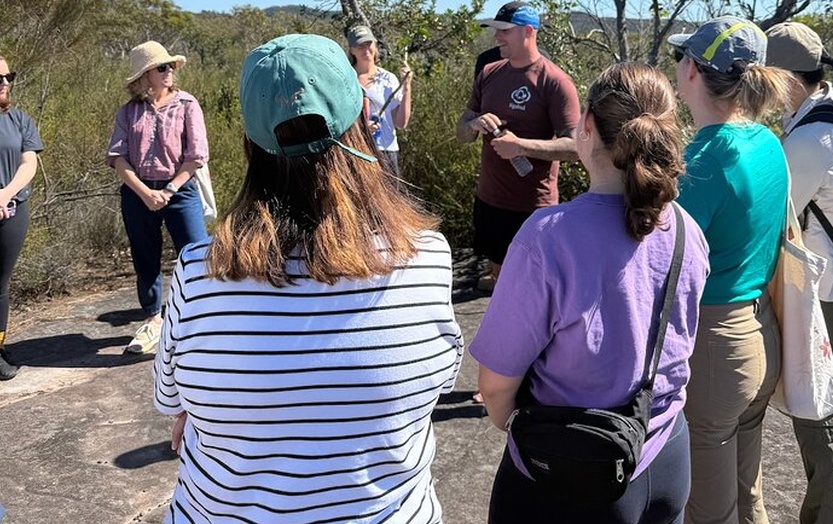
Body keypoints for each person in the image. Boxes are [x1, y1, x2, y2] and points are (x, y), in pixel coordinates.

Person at [153, 34, 464, 523]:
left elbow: (172, 397)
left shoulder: (196, 272)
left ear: (251, 141)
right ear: (361, 118)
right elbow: (436, 383)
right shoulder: (426, 258)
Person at [470, 62, 709, 523]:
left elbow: (495, 385)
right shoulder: (685, 230)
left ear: (588, 126)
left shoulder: (547, 235)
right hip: (665, 455)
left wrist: (516, 427)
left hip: (569, 470)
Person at [667, 16, 793, 524]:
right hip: (762, 334)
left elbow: (658, 260)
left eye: (682, 58)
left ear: (694, 72)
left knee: (708, 512)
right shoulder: (767, 142)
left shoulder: (702, 160)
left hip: (716, 349)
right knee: (748, 499)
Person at [765, 22, 833, 524]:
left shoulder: (811, 138)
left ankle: (831, 515)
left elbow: (774, 218)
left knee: (818, 412)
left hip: (822, 295)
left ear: (783, 78)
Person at [455, 1, 580, 294]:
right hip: (490, 201)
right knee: (501, 283)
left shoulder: (555, 81)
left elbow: (575, 147)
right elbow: (461, 133)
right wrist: (473, 124)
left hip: (533, 208)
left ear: (528, 31)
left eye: (504, 31)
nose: (496, 38)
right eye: (496, 31)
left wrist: (520, 147)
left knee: (535, 289)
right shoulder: (489, 72)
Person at [106, 41, 209, 355]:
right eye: (162, 67)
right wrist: (145, 192)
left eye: (170, 66)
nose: (169, 72)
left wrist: (168, 190)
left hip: (180, 191)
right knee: (145, 256)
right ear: (144, 76)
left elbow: (196, 156)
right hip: (138, 193)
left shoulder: (187, 104)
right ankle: (154, 319)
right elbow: (118, 158)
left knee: (195, 255)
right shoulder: (128, 112)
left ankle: (202, 319)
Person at [0, 56, 44, 380]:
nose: (4, 81)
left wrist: (4, 194)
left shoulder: (19, 119)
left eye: (7, 76)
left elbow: (29, 163)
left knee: (0, 284)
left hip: (13, 209)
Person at [347, 25, 413, 177]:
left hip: (387, 151)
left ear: (375, 45)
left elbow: (401, 123)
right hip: (357, 151)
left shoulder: (388, 78)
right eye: (359, 46)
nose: (366, 50)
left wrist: (407, 86)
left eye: (368, 44)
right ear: (351, 50)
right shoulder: (346, 79)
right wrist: (362, 128)